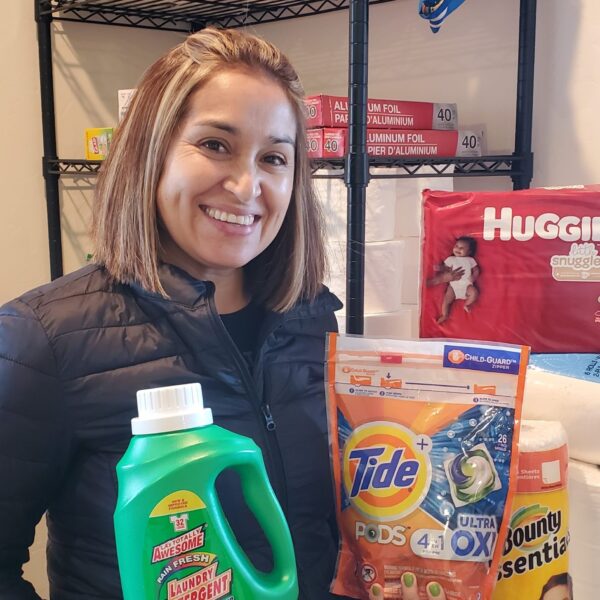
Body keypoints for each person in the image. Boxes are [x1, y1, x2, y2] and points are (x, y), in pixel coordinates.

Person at [0, 27, 344, 599]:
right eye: (215, 145)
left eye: (274, 157)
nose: (245, 185)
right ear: (150, 153)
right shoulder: (43, 340)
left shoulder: (311, 321)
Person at [435, 236, 480, 323]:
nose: (458, 249)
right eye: (456, 246)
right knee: (446, 300)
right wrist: (440, 268)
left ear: (469, 251)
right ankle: (445, 315)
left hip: (467, 285)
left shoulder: (470, 260)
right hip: (453, 286)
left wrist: (474, 277)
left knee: (475, 293)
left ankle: (467, 304)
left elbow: (476, 270)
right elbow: (446, 268)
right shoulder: (451, 259)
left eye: (462, 248)